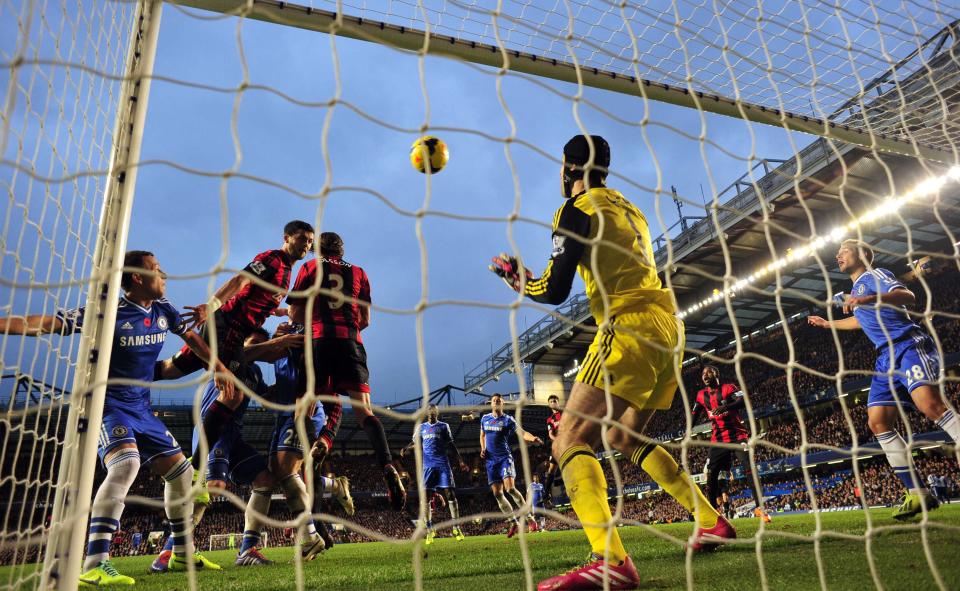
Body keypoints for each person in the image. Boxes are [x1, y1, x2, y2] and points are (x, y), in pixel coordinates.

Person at [491, 135, 732, 591]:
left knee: (568, 439)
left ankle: (611, 561)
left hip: (628, 326)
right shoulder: (628, 207)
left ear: (570, 167)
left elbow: (554, 289)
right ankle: (708, 518)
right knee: (622, 435)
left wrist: (514, 277)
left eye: (563, 167)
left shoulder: (575, 209)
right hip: (668, 326)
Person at [0, 250, 232, 586]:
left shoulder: (164, 309)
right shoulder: (109, 312)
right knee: (126, 466)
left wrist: (219, 366)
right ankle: (94, 563)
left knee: (182, 474)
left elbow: (192, 337)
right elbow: (51, 323)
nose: (164, 275)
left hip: (141, 406)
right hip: (107, 404)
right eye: (157, 270)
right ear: (138, 278)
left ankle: (182, 554)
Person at [808, 240, 960, 520]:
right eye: (838, 252)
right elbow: (859, 321)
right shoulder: (856, 290)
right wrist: (829, 324)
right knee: (877, 422)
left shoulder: (875, 276)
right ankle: (918, 494)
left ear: (863, 254)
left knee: (931, 406)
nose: (838, 254)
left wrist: (864, 299)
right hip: (884, 358)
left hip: (907, 345)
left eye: (845, 250)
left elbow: (907, 296)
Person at [161, 220, 315, 465]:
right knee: (232, 395)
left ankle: (118, 371)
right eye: (302, 238)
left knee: (171, 369)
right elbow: (240, 281)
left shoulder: (286, 273)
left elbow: (261, 301)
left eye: (310, 241)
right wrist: (210, 306)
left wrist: (284, 313)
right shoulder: (273, 259)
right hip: (228, 328)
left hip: (229, 330)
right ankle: (196, 470)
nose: (306, 244)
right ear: (287, 237)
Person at [287, 231, 406, 511]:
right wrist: (347, 331)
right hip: (351, 343)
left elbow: (293, 314)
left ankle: (306, 475)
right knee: (364, 411)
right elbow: (365, 319)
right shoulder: (361, 273)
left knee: (304, 409)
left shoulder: (309, 267)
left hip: (317, 342)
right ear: (342, 250)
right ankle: (388, 465)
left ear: (317, 249)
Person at [693, 365, 770, 522]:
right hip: (718, 440)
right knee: (711, 474)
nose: (705, 375)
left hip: (737, 436)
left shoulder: (729, 388)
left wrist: (725, 407)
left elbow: (743, 401)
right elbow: (695, 413)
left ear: (717, 374)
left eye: (709, 372)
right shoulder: (701, 395)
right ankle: (713, 513)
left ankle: (760, 508)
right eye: (703, 373)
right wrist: (687, 429)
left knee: (749, 468)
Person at [400, 404, 469, 543]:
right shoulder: (421, 428)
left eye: (433, 410)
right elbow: (417, 442)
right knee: (424, 498)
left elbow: (450, 444)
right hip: (428, 467)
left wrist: (460, 460)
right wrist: (406, 448)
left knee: (450, 493)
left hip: (443, 464)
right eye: (429, 410)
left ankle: (456, 527)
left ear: (437, 412)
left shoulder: (444, 426)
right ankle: (430, 530)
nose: (431, 412)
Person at [480, 394, 543, 538]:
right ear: (491, 404)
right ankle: (513, 522)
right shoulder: (485, 418)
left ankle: (530, 519)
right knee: (497, 494)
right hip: (490, 461)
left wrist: (532, 438)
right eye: (494, 401)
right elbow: (482, 436)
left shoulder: (508, 420)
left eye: (499, 401)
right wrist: (483, 448)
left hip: (504, 458)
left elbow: (522, 433)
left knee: (510, 488)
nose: (496, 403)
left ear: (502, 404)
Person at [543, 395, 563, 506]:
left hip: (568, 441)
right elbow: (550, 434)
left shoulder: (565, 413)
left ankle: (561, 481)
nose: (553, 402)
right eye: (551, 401)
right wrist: (557, 440)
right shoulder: (550, 420)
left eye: (555, 400)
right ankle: (546, 495)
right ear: (549, 405)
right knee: (551, 469)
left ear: (558, 402)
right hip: (557, 444)